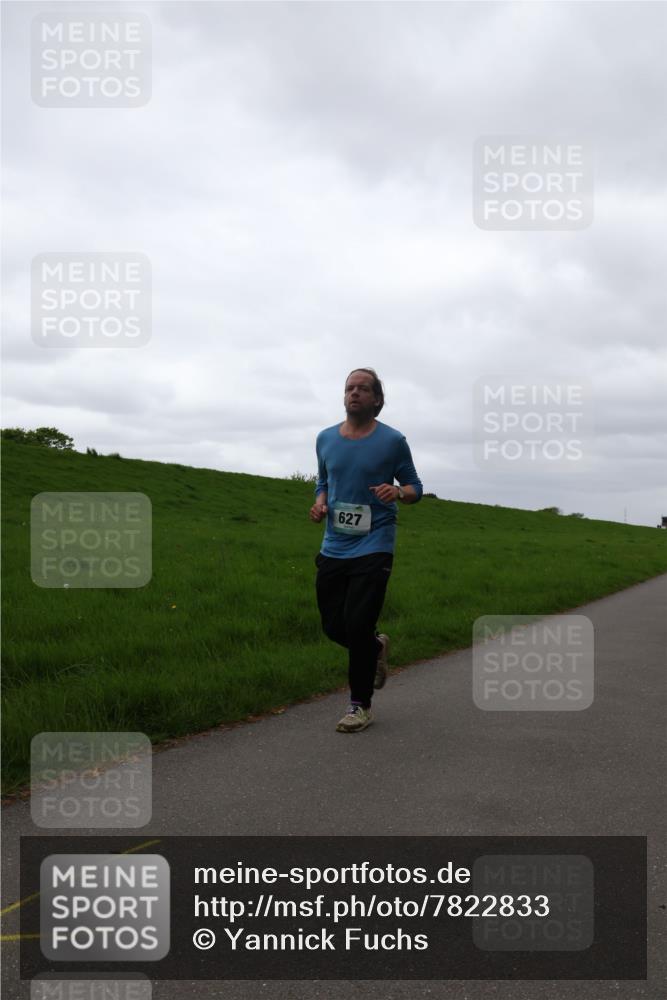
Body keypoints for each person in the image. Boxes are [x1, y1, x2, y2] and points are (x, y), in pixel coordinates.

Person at [310, 368, 423, 732]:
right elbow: (323, 480)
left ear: (377, 399)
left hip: (375, 543)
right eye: (349, 388)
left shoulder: (392, 441)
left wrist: (398, 492)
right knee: (333, 626)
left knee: (357, 625)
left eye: (362, 389)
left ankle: (360, 706)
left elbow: (415, 486)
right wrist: (320, 503)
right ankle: (375, 648)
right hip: (334, 544)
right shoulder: (325, 438)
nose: (354, 393)